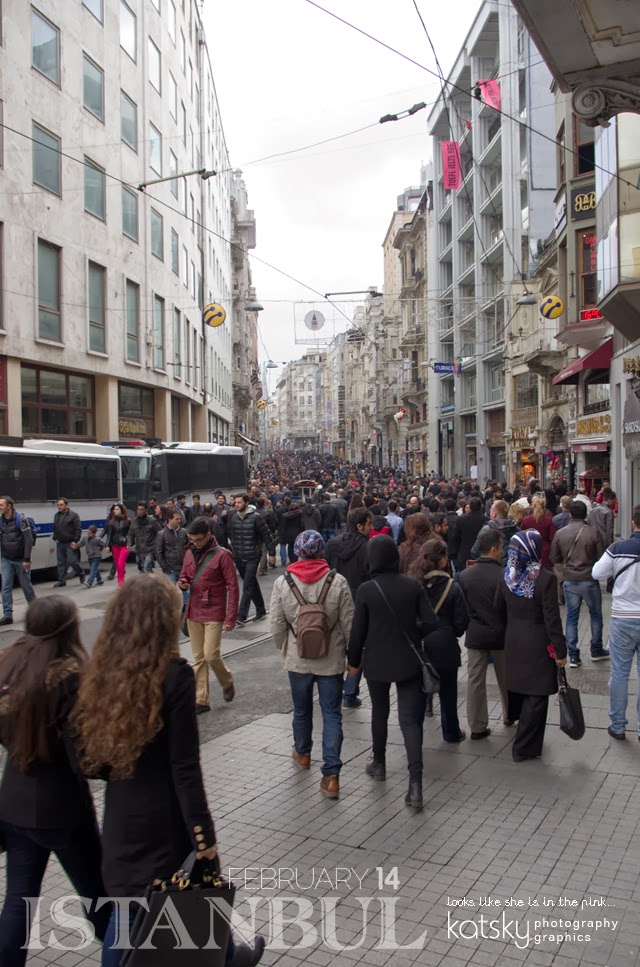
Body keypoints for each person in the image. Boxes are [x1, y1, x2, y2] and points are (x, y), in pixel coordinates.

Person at [70, 576, 264, 967]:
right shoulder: (174, 676)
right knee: (187, 889)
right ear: (161, 622)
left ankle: (229, 956)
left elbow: (87, 757)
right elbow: (185, 769)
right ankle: (227, 958)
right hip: (166, 818)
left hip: (122, 815)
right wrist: (203, 835)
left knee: (128, 907)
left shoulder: (101, 674)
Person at [0, 597, 109, 965]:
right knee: (100, 897)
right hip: (62, 808)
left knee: (18, 900)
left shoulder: (7, 664)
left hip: (14, 802)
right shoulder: (69, 676)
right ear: (67, 629)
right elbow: (85, 757)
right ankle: (123, 954)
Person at [347, 536, 438, 809]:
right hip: (409, 661)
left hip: (376, 662)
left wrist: (353, 663)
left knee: (380, 712)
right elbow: (432, 622)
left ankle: (379, 763)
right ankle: (415, 784)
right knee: (410, 722)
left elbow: (357, 632)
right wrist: (414, 632)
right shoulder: (412, 585)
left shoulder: (366, 589)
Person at [269, 530, 354, 800]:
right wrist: (352, 656)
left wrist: (286, 648)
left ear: (297, 551)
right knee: (331, 714)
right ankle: (331, 776)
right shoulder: (337, 580)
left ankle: (303, 754)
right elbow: (349, 624)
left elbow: (276, 625)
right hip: (330, 660)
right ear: (321, 552)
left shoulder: (284, 582)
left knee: (302, 711)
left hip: (298, 658)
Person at [495, 531, 567, 762]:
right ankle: (525, 746)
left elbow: (498, 608)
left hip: (513, 639)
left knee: (520, 688)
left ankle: (528, 742)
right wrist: (561, 650)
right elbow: (552, 619)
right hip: (537, 642)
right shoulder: (545, 579)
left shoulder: (507, 575)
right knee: (537, 695)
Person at [410, 539, 469, 744]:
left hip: (419, 647)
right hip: (445, 645)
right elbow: (462, 621)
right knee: (448, 692)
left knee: (417, 693)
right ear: (443, 560)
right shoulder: (452, 587)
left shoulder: (413, 584)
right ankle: (451, 731)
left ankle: (414, 733)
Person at [179, 517, 239, 713]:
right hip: (193, 609)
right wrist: (183, 582)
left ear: (208, 536)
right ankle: (201, 699)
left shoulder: (223, 555)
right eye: (192, 540)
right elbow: (184, 575)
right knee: (198, 658)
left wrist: (231, 617)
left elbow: (233, 586)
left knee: (211, 655)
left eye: (197, 540)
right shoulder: (189, 553)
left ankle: (227, 680)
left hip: (214, 610)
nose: (194, 543)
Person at [592, 505, 640, 740]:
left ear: (633, 524)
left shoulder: (619, 548)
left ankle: (618, 725)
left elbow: (597, 573)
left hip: (623, 618)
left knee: (620, 672)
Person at [459, 529, 511, 738]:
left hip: (476, 633)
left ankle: (477, 725)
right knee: (506, 678)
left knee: (475, 681)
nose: (502, 551)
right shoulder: (505, 575)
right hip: (501, 634)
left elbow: (462, 608)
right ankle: (510, 714)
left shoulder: (465, 575)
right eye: (500, 548)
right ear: (492, 549)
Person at [324, 508, 373, 709]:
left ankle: (334, 689)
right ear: (360, 526)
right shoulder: (368, 548)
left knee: (334, 647)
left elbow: (325, 569)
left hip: (331, 601)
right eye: (369, 524)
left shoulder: (332, 544)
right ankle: (350, 692)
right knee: (357, 648)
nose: (372, 528)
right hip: (357, 603)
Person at [549, 500, 607, 667]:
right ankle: (596, 649)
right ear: (586, 514)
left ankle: (573, 654)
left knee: (572, 617)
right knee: (595, 614)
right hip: (589, 579)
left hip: (570, 579)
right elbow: (601, 556)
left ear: (571, 515)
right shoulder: (593, 532)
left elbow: (554, 558)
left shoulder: (561, 533)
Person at [227, 494, 276, 625]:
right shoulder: (233, 517)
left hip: (253, 556)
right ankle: (260, 610)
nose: (236, 504)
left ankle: (241, 615)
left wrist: (271, 553)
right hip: (239, 556)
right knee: (251, 583)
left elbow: (267, 535)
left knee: (247, 585)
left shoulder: (256, 518)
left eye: (239, 502)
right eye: (235, 502)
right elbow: (231, 535)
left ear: (246, 503)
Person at [0, 495, 36, 626]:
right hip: (6, 559)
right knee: (5, 587)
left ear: (9, 506)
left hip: (21, 559)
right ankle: (7, 615)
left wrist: (27, 559)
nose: (0, 508)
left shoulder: (20, 519)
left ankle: (35, 612)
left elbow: (29, 539)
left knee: (26, 586)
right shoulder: (1, 520)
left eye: (1, 505)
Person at [470, 500, 519, 567]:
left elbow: (474, 552)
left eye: (490, 511)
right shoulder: (516, 530)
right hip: (511, 568)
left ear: (494, 514)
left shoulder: (486, 530)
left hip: (490, 568)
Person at [52, 497, 85, 587]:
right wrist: (55, 538)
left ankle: (81, 572)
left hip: (70, 542)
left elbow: (78, 529)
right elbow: (55, 527)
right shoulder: (56, 515)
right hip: (60, 542)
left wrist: (75, 541)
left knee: (72, 561)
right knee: (60, 562)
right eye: (58, 505)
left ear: (67, 505)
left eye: (61, 505)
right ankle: (62, 581)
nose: (59, 507)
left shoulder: (73, 515)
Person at [450, 496, 487, 575]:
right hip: (481, 553)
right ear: (480, 506)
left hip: (464, 553)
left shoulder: (461, 519)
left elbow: (455, 537)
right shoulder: (486, 520)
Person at [520, 494, 557, 569]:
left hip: (529, 551)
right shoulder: (548, 521)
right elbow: (554, 538)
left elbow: (521, 536)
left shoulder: (526, 520)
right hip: (545, 552)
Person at [155, 509, 189, 584]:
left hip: (183, 568)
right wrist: (165, 568)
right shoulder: (162, 534)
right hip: (170, 569)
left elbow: (189, 547)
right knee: (170, 593)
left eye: (180, 518)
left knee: (186, 592)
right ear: (170, 520)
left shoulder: (183, 532)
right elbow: (158, 552)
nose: (179, 521)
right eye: (177, 519)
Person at [127, 501, 161, 573]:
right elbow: (130, 534)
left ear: (146, 510)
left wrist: (156, 544)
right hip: (139, 549)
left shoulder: (152, 521)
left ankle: (150, 581)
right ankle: (151, 577)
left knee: (146, 567)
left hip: (150, 548)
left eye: (142, 510)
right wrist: (129, 543)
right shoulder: (134, 521)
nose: (140, 512)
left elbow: (160, 533)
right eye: (138, 509)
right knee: (139, 564)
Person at [102, 503, 131, 587]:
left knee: (120, 563)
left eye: (117, 509)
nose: (115, 511)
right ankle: (121, 581)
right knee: (118, 564)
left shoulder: (127, 521)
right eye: (114, 509)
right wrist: (107, 545)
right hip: (115, 545)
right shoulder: (112, 522)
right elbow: (109, 534)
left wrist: (128, 542)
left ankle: (120, 584)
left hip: (124, 545)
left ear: (122, 510)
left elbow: (131, 533)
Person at [589, 488, 616, 558]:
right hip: (603, 542)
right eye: (614, 501)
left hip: (591, 539)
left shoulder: (593, 510)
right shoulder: (608, 512)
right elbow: (609, 530)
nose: (614, 503)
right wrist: (611, 546)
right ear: (610, 500)